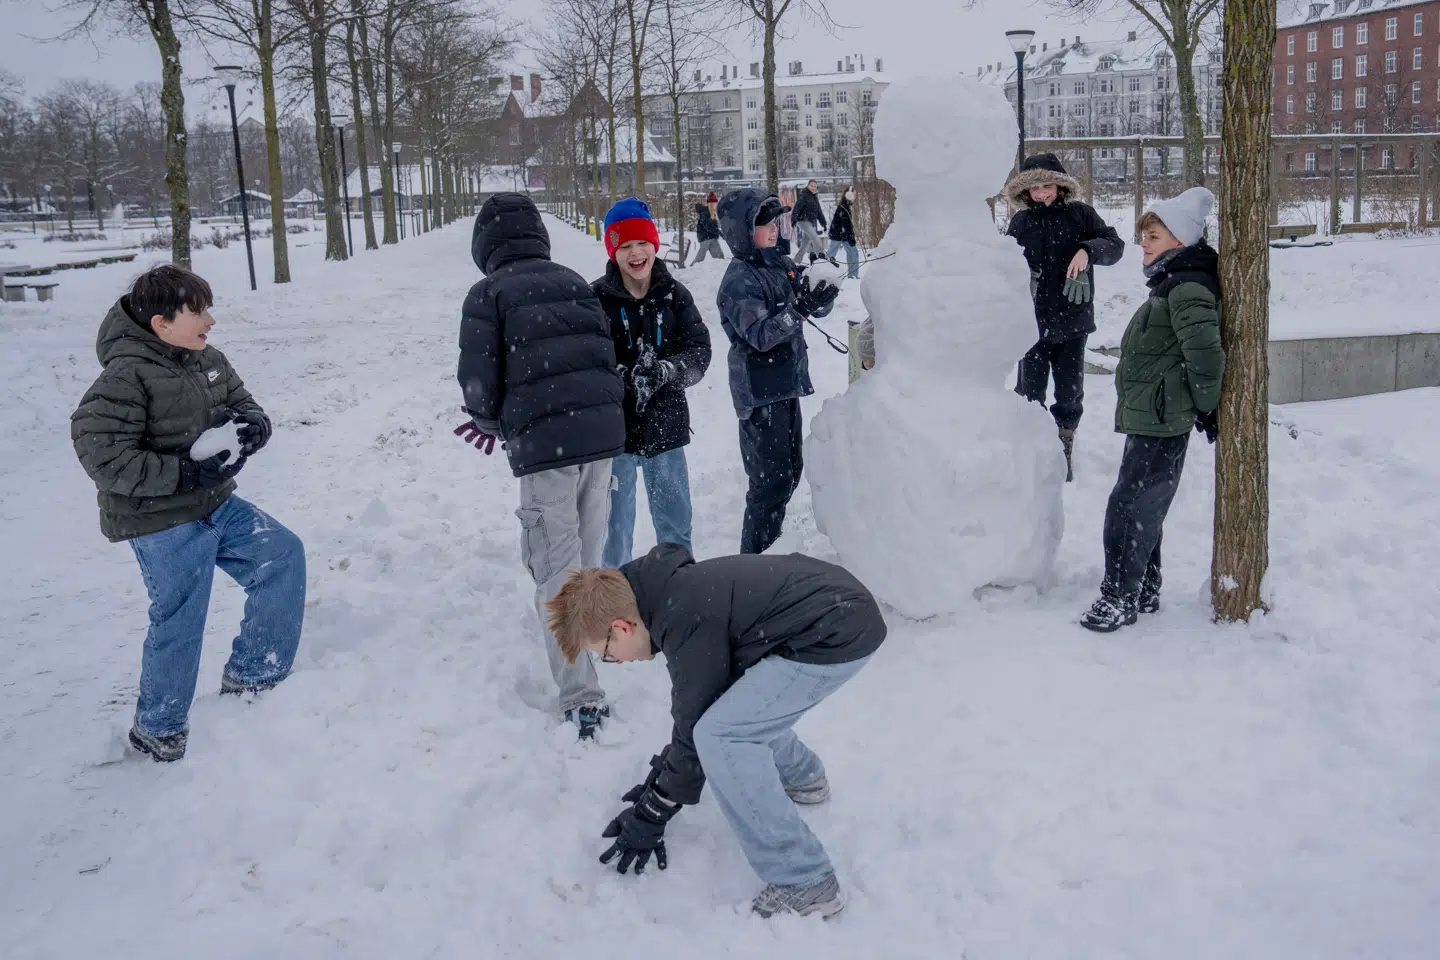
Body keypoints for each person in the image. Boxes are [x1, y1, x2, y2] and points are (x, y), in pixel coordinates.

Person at [544, 543, 887, 918]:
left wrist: (656, 807)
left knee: (722, 735)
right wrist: (661, 782)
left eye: (606, 654)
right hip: (835, 609)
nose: (616, 661)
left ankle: (803, 878)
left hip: (834, 630)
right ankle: (803, 778)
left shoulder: (684, 615)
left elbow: (697, 725)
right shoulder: (666, 595)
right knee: (734, 712)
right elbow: (700, 706)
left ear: (621, 627)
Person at [70, 264, 305, 762]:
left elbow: (243, 402)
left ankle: (255, 679)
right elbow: (102, 456)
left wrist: (255, 426)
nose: (210, 320)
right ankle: (158, 728)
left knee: (282, 556)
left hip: (217, 504)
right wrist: (185, 474)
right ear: (161, 323)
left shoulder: (207, 358)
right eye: (197, 312)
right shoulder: (125, 376)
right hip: (160, 521)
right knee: (181, 618)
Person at [456, 193, 625, 738]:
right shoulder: (573, 281)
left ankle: (581, 694)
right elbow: (603, 354)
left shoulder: (489, 293)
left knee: (556, 567)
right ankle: (587, 648)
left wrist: (490, 422)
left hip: (547, 447)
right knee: (585, 562)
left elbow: (478, 381)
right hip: (601, 439)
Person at [1080, 186, 1225, 633]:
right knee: (1142, 505)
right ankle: (1142, 588)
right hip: (1154, 414)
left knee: (1130, 507)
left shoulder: (1187, 287)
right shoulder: (1174, 281)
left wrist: (1207, 409)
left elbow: (1205, 355)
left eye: (1154, 236)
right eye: (1144, 235)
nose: (1143, 243)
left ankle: (1118, 597)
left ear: (1181, 239)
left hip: (1162, 418)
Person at [716, 188, 840, 554]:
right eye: (764, 223)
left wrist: (822, 291)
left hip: (785, 385)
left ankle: (771, 552)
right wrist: (799, 308)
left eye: (775, 222)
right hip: (760, 394)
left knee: (789, 474)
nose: (774, 229)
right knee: (769, 484)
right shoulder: (738, 281)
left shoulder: (778, 263)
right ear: (741, 231)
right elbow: (760, 335)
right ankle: (754, 563)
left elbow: (810, 305)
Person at [591, 198, 712, 568]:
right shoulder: (595, 299)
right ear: (613, 252)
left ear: (654, 244)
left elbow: (699, 351)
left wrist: (667, 371)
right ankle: (615, 596)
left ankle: (676, 590)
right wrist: (618, 377)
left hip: (667, 430)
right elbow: (586, 360)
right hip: (615, 437)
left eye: (642, 242)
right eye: (625, 245)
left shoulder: (674, 295)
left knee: (676, 530)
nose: (636, 253)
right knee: (613, 535)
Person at [1003, 153, 1125, 481]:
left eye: (1047, 185)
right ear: (1025, 191)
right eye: (1035, 188)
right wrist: (1020, 274)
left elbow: (1115, 245)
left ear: (1060, 185)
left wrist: (1088, 250)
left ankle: (1063, 441)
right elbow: (1005, 262)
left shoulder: (1081, 215)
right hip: (1031, 324)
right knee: (1030, 391)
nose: (1042, 192)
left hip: (1073, 322)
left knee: (1069, 393)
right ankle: (1031, 446)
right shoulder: (1021, 222)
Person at [826, 186, 860, 280]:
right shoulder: (844, 208)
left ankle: (853, 275)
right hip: (838, 234)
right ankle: (822, 270)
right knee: (831, 254)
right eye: (854, 194)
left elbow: (847, 225)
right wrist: (851, 239)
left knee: (853, 253)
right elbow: (847, 225)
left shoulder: (846, 206)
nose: (855, 196)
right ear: (849, 195)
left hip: (842, 235)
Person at [791, 179, 828, 263]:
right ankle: (821, 256)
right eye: (811, 186)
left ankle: (796, 260)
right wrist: (793, 220)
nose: (813, 188)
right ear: (808, 186)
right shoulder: (804, 196)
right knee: (815, 238)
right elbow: (796, 209)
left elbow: (819, 212)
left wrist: (824, 223)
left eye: (815, 186)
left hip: (810, 222)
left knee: (805, 243)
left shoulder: (814, 197)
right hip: (803, 221)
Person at [692, 191, 725, 263]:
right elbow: (708, 227)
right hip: (706, 237)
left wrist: (719, 233)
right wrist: (718, 232)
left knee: (719, 256)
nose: (715, 205)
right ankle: (692, 267)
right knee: (700, 257)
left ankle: (721, 265)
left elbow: (713, 226)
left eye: (715, 203)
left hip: (710, 237)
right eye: (713, 203)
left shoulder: (710, 212)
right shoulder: (705, 213)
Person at [775, 186, 795, 257]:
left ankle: (782, 254)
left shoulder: (787, 200)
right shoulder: (779, 200)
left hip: (784, 226)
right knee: (782, 241)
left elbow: (790, 211)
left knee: (783, 241)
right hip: (781, 226)